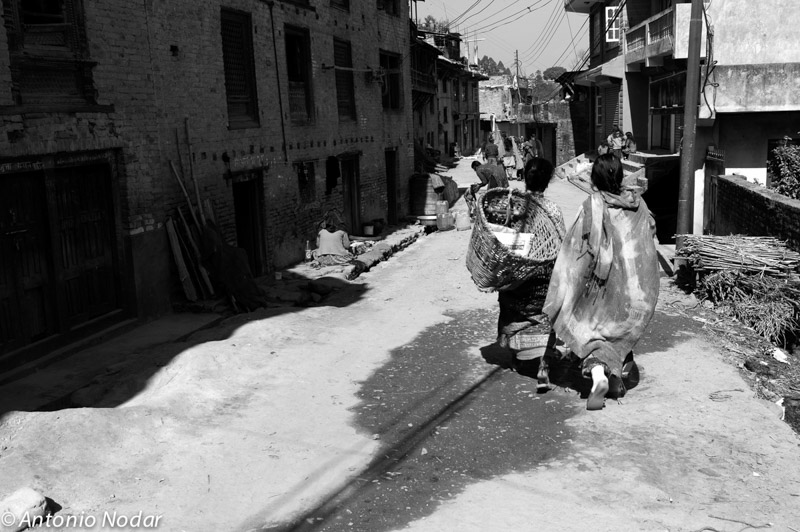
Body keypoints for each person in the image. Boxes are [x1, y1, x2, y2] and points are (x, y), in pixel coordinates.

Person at [543, 154, 659, 411]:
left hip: (600, 288)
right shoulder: (638, 204)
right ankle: (615, 379)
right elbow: (649, 237)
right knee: (617, 335)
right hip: (631, 288)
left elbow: (577, 248)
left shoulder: (593, 205)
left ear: (595, 178)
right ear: (619, 176)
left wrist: (568, 284)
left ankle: (598, 379)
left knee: (593, 335)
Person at [495, 157, 566, 390]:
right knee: (547, 314)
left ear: (526, 178)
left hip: (518, 279)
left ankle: (518, 355)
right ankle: (543, 363)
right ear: (547, 181)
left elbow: (501, 239)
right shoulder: (552, 210)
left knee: (511, 309)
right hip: (542, 283)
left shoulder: (513, 205)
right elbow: (561, 245)